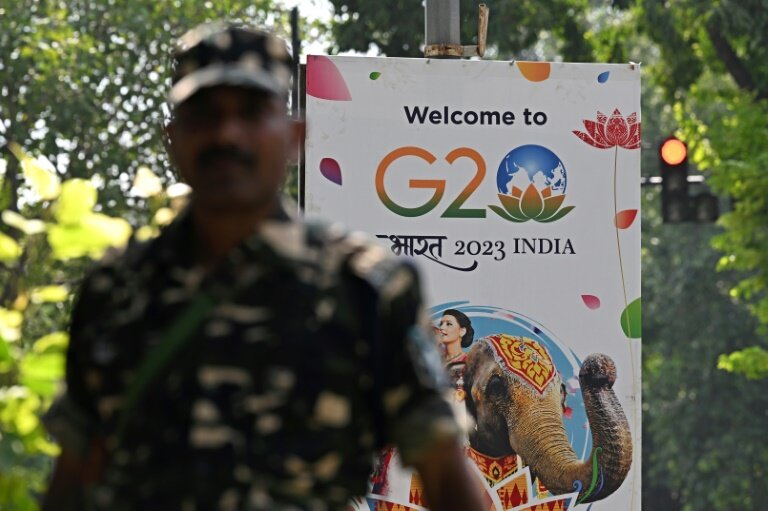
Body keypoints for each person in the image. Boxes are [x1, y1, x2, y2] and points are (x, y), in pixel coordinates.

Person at [42, 22, 485, 511]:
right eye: (205, 115)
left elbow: (445, 475)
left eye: (252, 113)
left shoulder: (365, 289)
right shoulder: (116, 293)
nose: (227, 134)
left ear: (295, 136)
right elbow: (74, 479)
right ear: (173, 139)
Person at [436, 309, 474, 401]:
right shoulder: (435, 361)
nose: (442, 328)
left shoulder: (469, 363)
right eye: (441, 324)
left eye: (448, 324)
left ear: (462, 331)